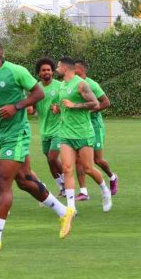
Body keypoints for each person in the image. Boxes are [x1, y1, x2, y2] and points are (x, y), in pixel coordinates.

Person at [0, 40, 72, 250]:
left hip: (17, 134)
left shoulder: (16, 71)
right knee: (24, 181)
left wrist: (16, 107)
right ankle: (63, 211)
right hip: (1, 133)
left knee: (3, 182)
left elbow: (38, 93)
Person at [54, 57, 112, 216]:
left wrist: (74, 105)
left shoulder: (81, 84)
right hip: (65, 133)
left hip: (83, 133)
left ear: (65, 68)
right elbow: (64, 105)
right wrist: (58, 109)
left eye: (58, 66)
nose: (56, 69)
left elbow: (95, 103)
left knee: (88, 168)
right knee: (67, 168)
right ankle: (71, 207)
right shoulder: (62, 85)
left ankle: (105, 190)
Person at [74, 60, 119, 197]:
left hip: (94, 126)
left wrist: (89, 111)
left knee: (97, 160)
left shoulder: (92, 84)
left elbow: (106, 102)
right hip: (80, 127)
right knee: (78, 158)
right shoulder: (73, 85)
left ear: (82, 71)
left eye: (76, 70)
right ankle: (83, 191)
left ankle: (112, 177)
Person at [32, 57, 64, 195]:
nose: (46, 72)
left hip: (59, 128)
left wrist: (59, 108)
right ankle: (61, 187)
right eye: (43, 70)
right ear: (39, 73)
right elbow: (32, 109)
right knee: (50, 161)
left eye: (49, 70)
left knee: (52, 157)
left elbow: (67, 104)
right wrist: (30, 109)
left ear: (52, 72)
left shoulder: (60, 86)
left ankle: (68, 183)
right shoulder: (35, 88)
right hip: (44, 130)